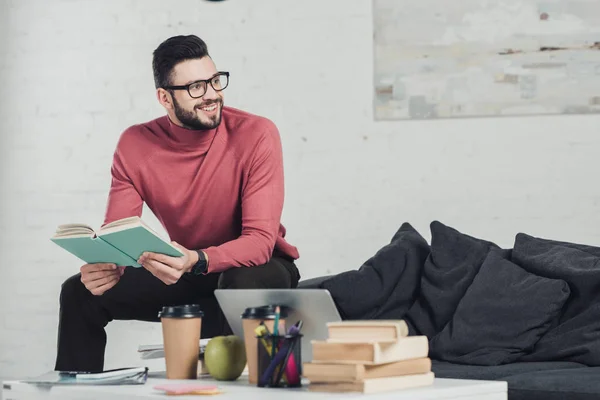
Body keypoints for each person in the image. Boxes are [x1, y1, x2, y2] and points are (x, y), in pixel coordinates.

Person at [54, 34, 300, 373]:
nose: (212, 95)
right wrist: (106, 268)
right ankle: (74, 393)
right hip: (185, 269)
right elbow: (120, 236)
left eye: (215, 81)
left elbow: (259, 242)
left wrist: (197, 259)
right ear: (164, 98)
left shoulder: (256, 133)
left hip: (258, 270)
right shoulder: (135, 144)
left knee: (238, 282)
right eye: (196, 87)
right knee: (79, 292)